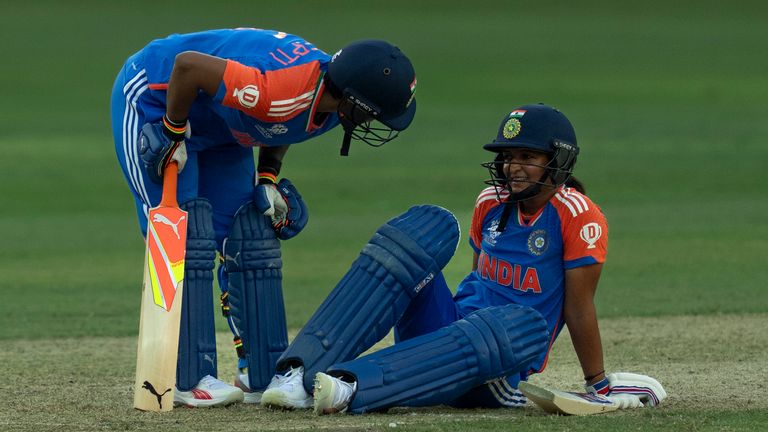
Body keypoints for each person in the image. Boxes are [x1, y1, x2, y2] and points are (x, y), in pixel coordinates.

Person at [257, 103, 666, 414]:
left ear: (555, 161)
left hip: (499, 363)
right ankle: (298, 372)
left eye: (527, 157)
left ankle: (350, 387)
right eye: (508, 156)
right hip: (452, 335)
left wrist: (597, 384)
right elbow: (477, 284)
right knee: (408, 253)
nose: (512, 167)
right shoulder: (491, 201)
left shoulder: (577, 215)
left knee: (506, 323)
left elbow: (579, 308)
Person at [110, 28, 417, 407]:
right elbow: (188, 67)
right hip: (158, 97)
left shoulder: (329, 103)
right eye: (376, 114)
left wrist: (268, 174)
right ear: (354, 101)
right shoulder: (280, 89)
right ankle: (182, 374)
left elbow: (286, 122)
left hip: (220, 122)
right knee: (184, 235)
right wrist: (172, 132)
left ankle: (255, 370)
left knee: (246, 233)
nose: (376, 124)